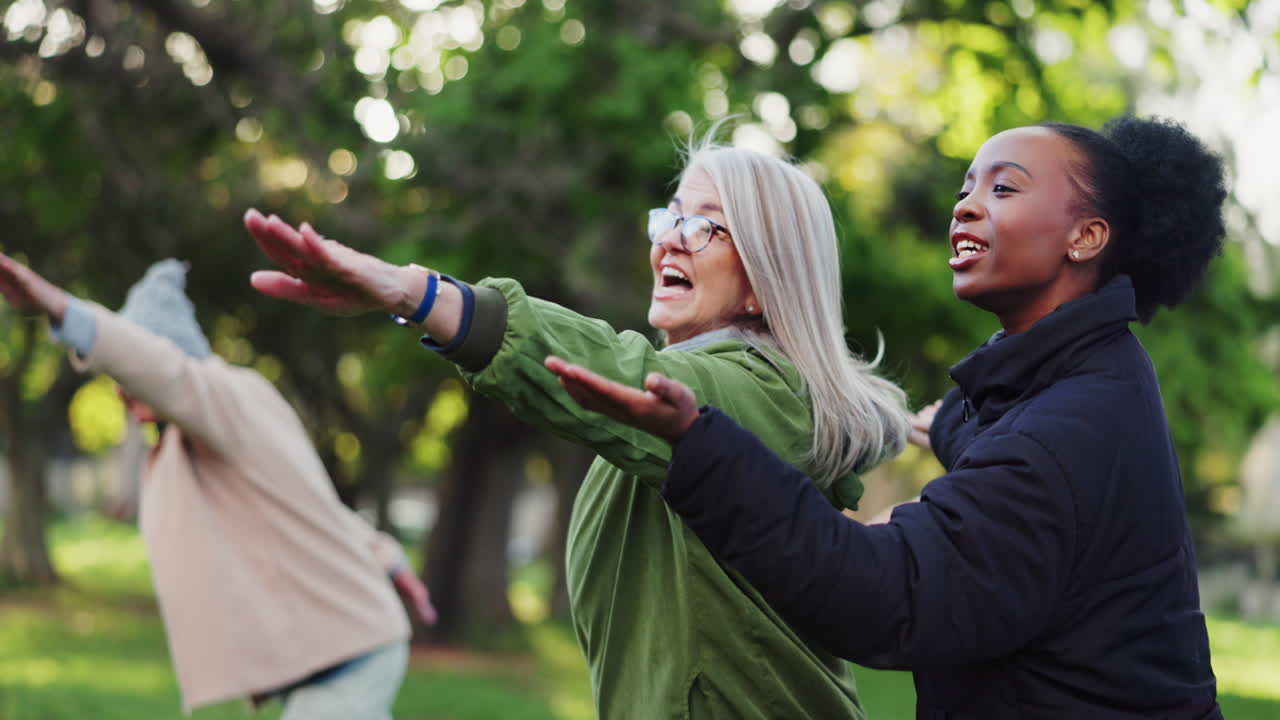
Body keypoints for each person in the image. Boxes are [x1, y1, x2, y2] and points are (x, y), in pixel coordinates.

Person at [545, 116, 1227, 719]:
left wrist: (701, 443)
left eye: (1003, 188)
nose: (964, 207)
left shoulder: (1068, 431)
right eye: (966, 187)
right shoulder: (1085, 378)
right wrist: (956, 432)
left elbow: (886, 596)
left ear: (1086, 236)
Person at [241, 138, 911, 718]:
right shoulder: (685, 406)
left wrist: (419, 295)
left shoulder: (764, 395)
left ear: (765, 282)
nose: (671, 238)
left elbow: (617, 369)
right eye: (670, 216)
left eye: (706, 226)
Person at [0, 256, 437, 719]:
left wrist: (62, 309)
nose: (121, 390)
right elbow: (311, 506)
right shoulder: (193, 436)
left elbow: (164, 372)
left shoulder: (228, 398)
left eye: (130, 375)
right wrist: (386, 557)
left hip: (352, 648)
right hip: (325, 646)